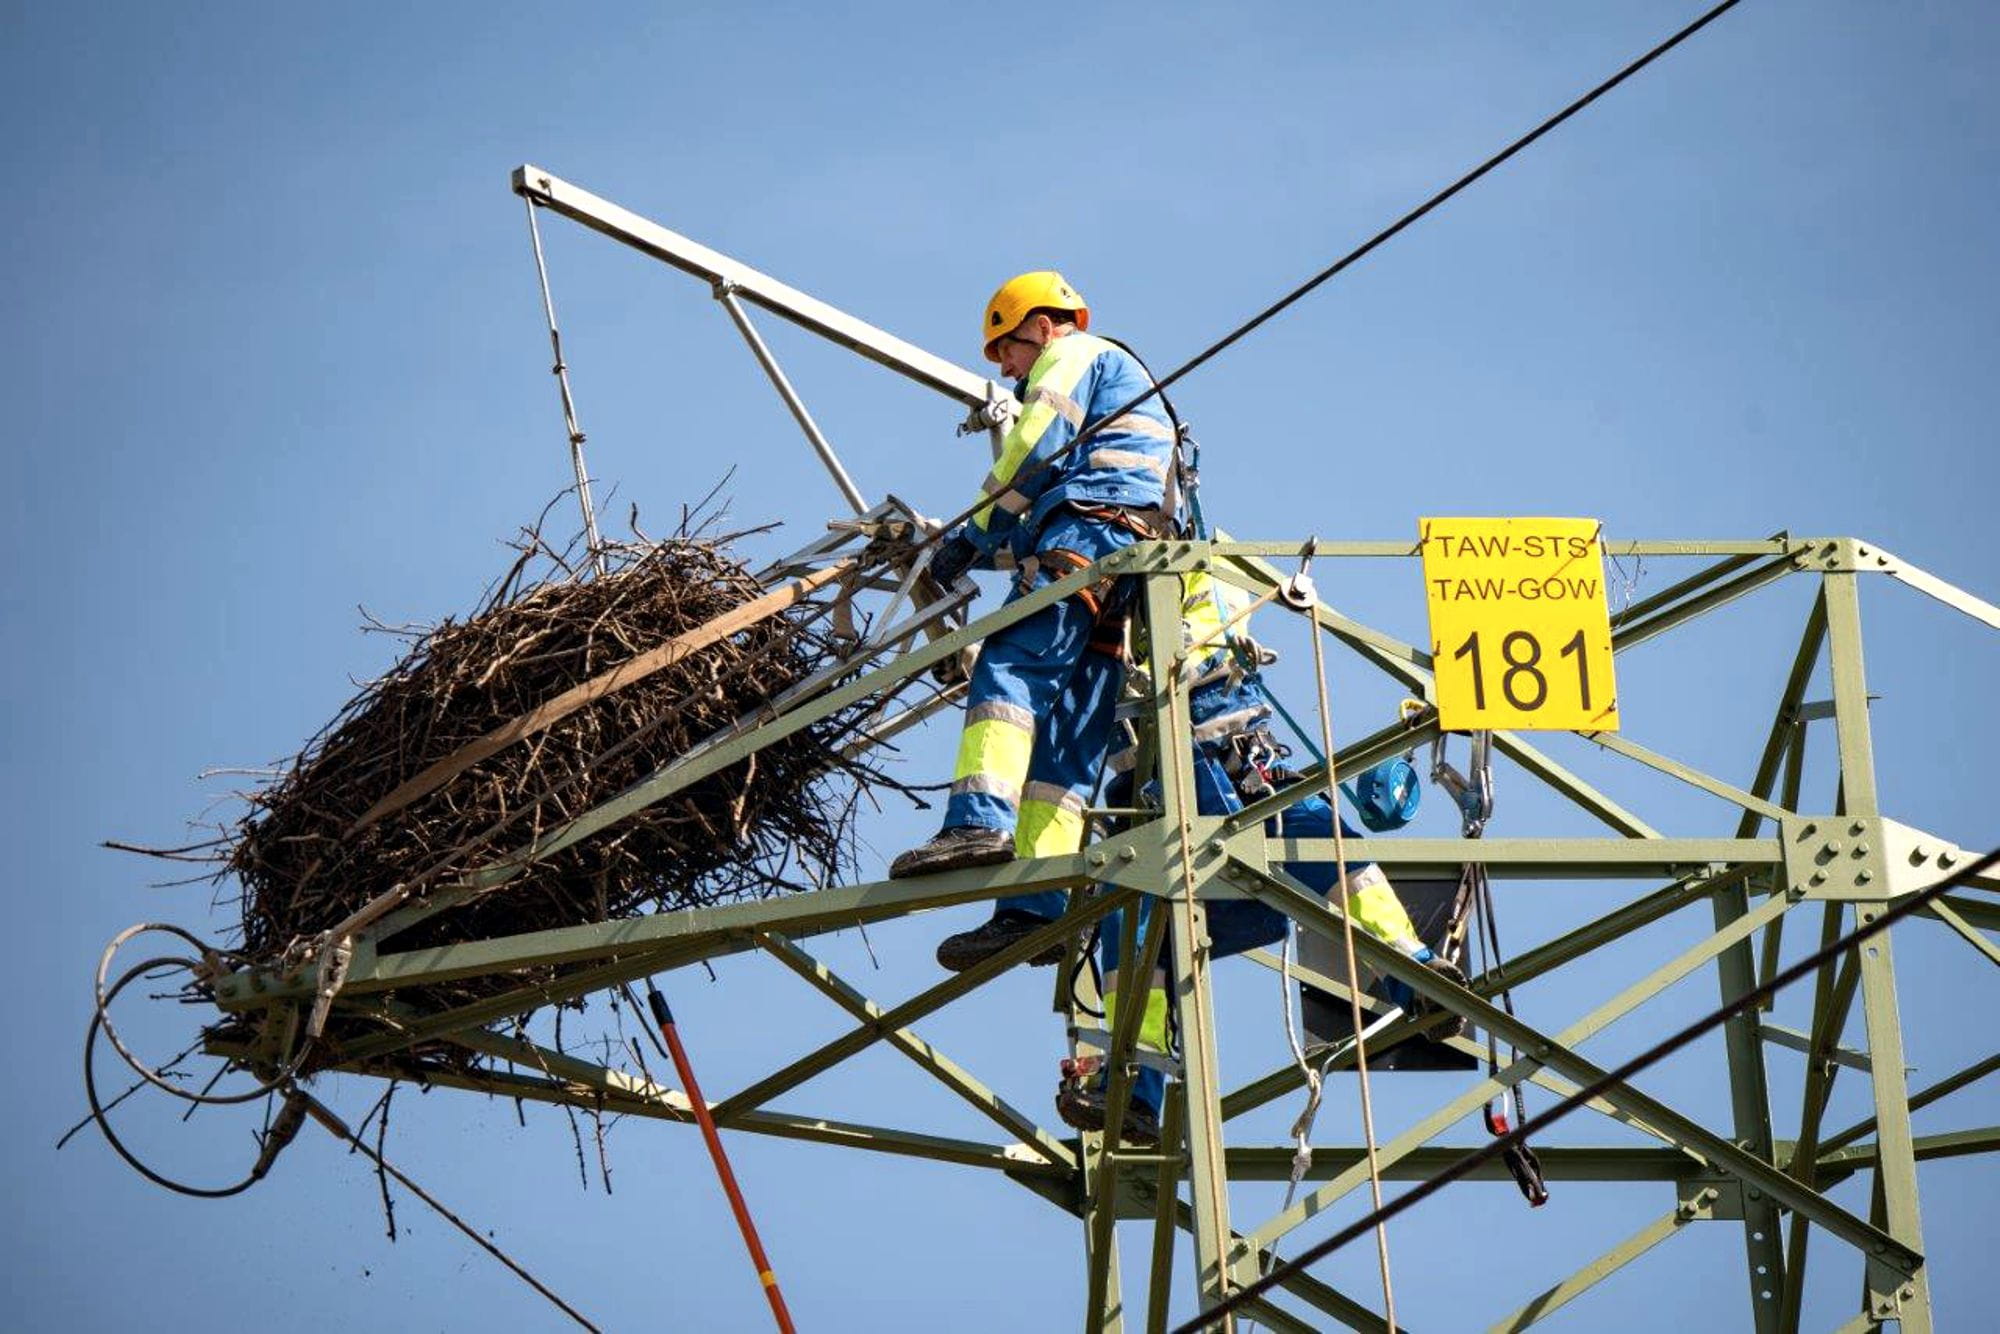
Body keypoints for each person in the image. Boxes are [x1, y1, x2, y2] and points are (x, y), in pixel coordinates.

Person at [1047, 570, 1470, 1144]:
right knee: (1129, 928)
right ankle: (1136, 1087)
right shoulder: (1089, 625)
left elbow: (1205, 627)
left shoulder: (1189, 574)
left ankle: (1413, 973)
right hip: (1161, 823)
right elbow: (1044, 689)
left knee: (1331, 844)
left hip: (1241, 782)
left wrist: (1148, 669)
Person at [890, 272, 1180, 974]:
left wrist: (976, 527)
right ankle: (1036, 906)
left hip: (1089, 535)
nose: (1008, 372)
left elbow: (1034, 446)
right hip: (1124, 562)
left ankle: (976, 824)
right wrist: (963, 545)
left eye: (1008, 351)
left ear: (1042, 327)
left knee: (1010, 666)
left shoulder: (1079, 355)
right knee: (1070, 730)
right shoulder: (1125, 412)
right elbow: (1053, 503)